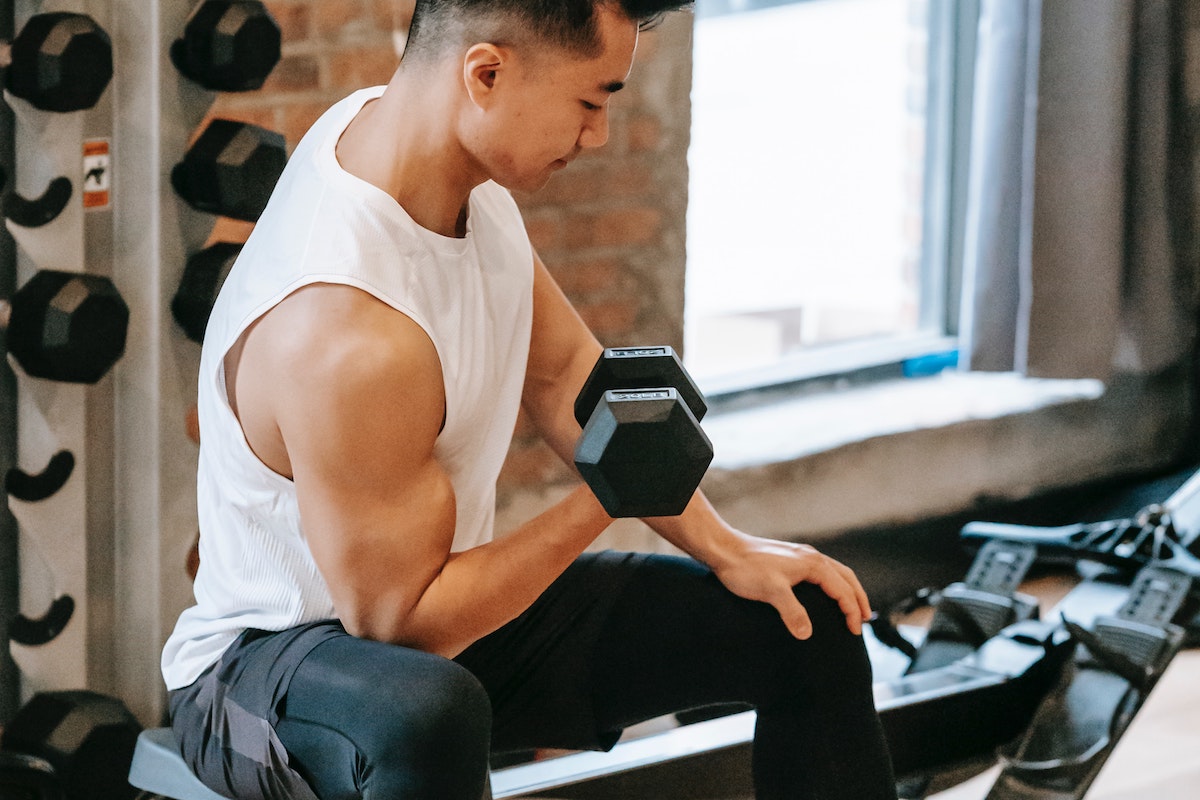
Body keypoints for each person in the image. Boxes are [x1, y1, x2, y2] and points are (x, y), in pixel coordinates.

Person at [161, 1, 899, 798]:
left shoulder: (438, 168)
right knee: (427, 711)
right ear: (485, 73)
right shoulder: (346, 332)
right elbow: (402, 624)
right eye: (591, 101)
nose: (599, 135)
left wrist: (729, 549)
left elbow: (564, 380)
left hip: (438, 633)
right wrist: (604, 497)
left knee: (802, 618)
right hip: (271, 672)